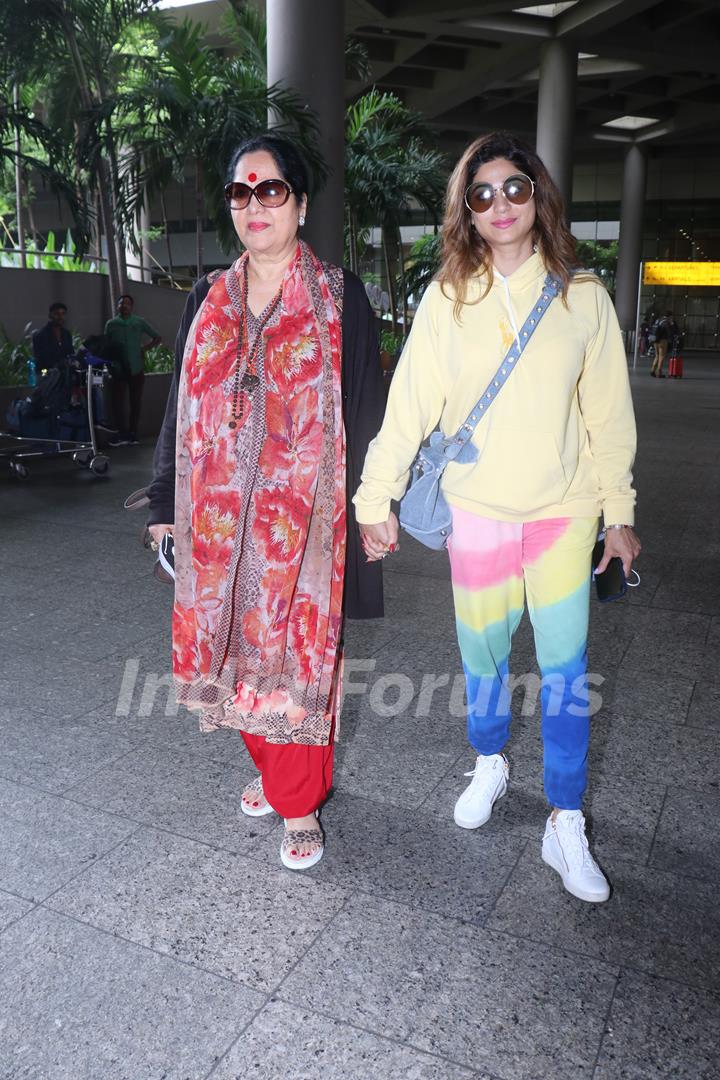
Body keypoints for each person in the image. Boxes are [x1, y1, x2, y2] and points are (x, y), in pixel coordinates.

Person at [354, 132, 641, 904]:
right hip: (476, 510)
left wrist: (619, 512)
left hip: (563, 512)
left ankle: (565, 818)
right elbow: (409, 403)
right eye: (482, 194)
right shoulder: (449, 300)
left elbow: (608, 415)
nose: (501, 205)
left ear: (538, 195)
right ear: (466, 212)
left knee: (565, 673)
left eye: (515, 188)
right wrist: (372, 497)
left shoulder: (583, 296)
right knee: (482, 659)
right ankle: (489, 760)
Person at [146, 133, 385, 870]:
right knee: (238, 662)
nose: (255, 205)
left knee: (298, 666)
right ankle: (276, 774)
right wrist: (163, 500)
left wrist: (374, 504)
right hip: (220, 529)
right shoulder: (206, 297)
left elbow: (368, 408)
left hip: (306, 534)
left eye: (271, 189)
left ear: (301, 203)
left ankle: (299, 801)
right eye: (240, 193)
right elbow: (177, 410)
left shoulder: (342, 298)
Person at [104, 294, 161, 445]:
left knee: (135, 402)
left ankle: (133, 433)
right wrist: (110, 365)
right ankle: (121, 433)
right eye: (121, 303)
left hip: (136, 368)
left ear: (132, 306)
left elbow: (157, 337)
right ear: (117, 306)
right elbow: (106, 346)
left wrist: (144, 349)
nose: (124, 306)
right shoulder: (111, 324)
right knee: (117, 403)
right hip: (118, 369)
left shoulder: (138, 322)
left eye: (127, 303)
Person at [32, 302, 74, 371]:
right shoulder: (40, 335)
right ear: (50, 315)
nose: (60, 317)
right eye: (57, 314)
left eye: (63, 313)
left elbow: (71, 353)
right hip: (46, 376)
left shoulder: (67, 334)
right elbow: (41, 359)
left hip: (64, 375)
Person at [650, 310, 673, 377]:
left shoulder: (658, 320)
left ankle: (652, 370)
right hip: (662, 341)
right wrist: (671, 325)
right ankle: (659, 372)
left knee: (657, 356)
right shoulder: (666, 322)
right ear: (670, 316)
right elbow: (669, 332)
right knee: (662, 356)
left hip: (655, 340)